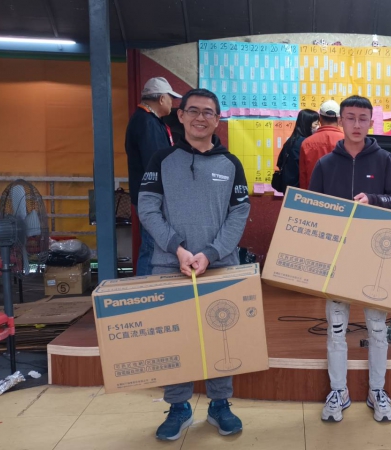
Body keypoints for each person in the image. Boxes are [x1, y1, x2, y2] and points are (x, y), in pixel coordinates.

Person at [139, 89, 250, 440]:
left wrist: (211, 253)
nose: (201, 118)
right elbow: (147, 209)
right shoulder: (161, 160)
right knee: (175, 340)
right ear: (181, 115)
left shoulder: (230, 164)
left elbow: (239, 213)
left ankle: (220, 404)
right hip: (170, 266)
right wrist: (178, 249)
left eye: (208, 112)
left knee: (221, 335)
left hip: (219, 267)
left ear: (217, 120)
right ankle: (178, 406)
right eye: (194, 111)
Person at [309, 95, 391, 423]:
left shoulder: (384, 159)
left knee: (378, 328)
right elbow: (312, 210)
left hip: (375, 258)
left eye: (362, 118)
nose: (356, 124)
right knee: (336, 328)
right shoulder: (325, 164)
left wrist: (374, 199)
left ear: (370, 122)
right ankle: (339, 391)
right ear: (341, 121)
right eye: (349, 117)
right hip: (337, 258)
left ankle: (377, 390)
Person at [125, 77, 181, 276]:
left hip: (150, 194)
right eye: (170, 98)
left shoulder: (148, 120)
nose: (172, 103)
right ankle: (145, 289)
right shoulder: (146, 122)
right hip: (152, 196)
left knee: (153, 244)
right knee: (151, 246)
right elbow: (156, 162)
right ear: (161, 99)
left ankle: (149, 287)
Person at [299, 100, 345, 190]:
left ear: (320, 118)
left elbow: (303, 177)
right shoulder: (347, 141)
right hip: (339, 195)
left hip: (314, 194)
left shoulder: (306, 143)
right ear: (339, 119)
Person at [274, 109, 319, 190]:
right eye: (316, 124)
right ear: (307, 124)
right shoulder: (304, 143)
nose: (318, 127)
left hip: (287, 185)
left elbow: (280, 162)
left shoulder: (292, 140)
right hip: (297, 187)